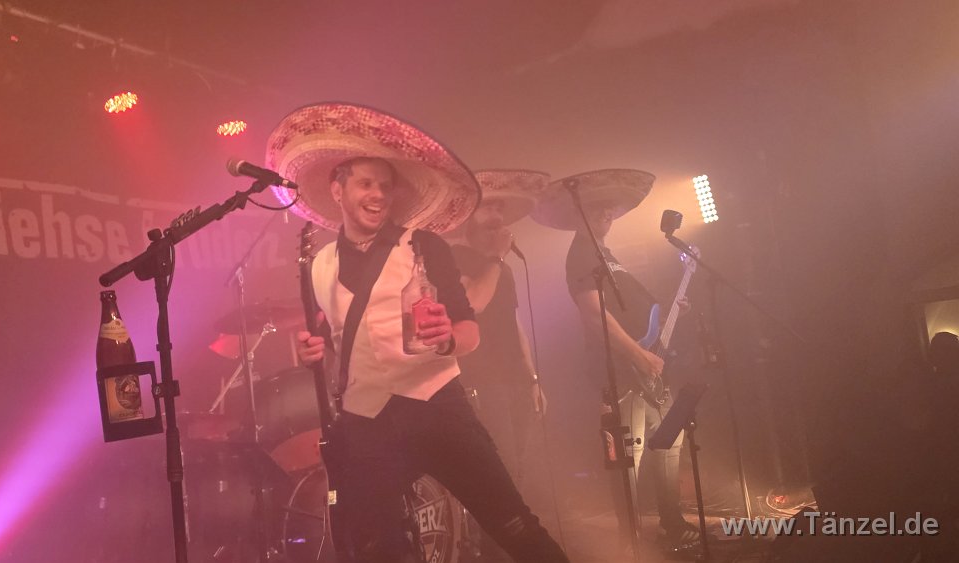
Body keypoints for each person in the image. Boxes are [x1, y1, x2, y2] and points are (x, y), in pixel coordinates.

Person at [267, 102, 569, 563]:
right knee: (379, 549)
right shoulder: (318, 266)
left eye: (385, 186)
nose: (378, 194)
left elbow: (469, 329)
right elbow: (339, 337)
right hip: (366, 423)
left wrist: (449, 338)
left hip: (437, 408)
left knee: (512, 524)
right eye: (366, 183)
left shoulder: (424, 246)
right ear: (338, 189)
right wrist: (316, 349)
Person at [532, 169, 698, 551]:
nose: (607, 214)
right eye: (597, 209)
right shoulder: (580, 255)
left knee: (669, 442)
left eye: (610, 209)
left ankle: (672, 524)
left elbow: (629, 311)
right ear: (580, 217)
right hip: (621, 372)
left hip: (645, 367)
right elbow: (595, 316)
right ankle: (630, 542)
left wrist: (668, 317)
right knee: (628, 457)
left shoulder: (605, 255)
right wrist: (639, 356)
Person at [451, 170, 550, 483]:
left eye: (499, 209)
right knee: (499, 467)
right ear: (469, 215)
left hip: (514, 379)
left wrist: (532, 379)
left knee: (521, 468)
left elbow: (514, 323)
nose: (496, 216)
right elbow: (473, 302)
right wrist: (495, 257)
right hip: (482, 380)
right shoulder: (456, 257)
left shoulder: (503, 268)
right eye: (487, 207)